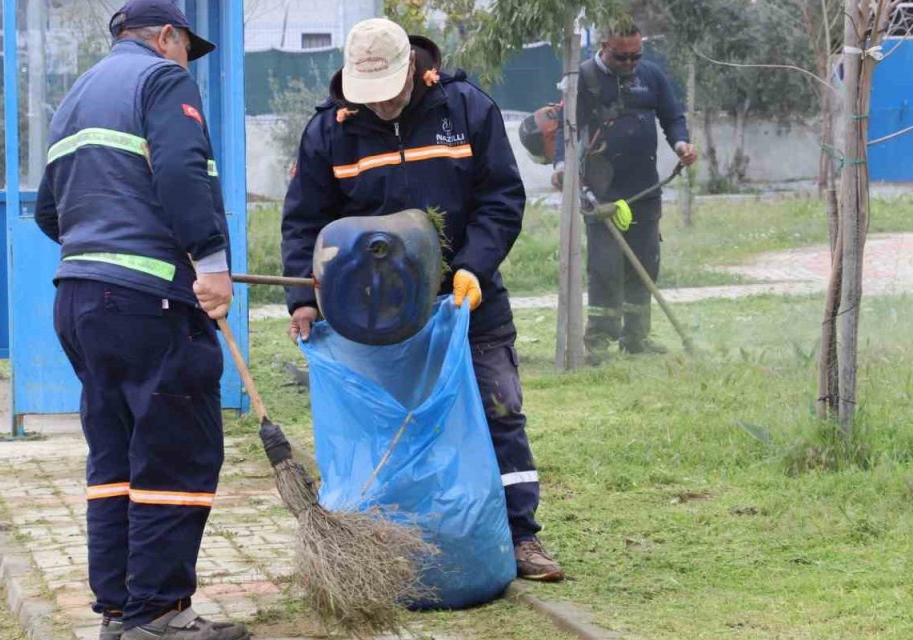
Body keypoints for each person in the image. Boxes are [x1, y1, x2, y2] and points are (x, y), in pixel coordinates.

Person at [281, 18, 565, 582]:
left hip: (467, 298)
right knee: (392, 426)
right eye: (369, 94)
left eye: (389, 91)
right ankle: (399, 540)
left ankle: (520, 536)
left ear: (411, 66)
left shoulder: (465, 109)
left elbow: (501, 198)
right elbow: (304, 222)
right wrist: (301, 298)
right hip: (376, 313)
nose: (380, 104)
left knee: (499, 410)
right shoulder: (330, 131)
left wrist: (474, 266)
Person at [33, 1, 247, 638]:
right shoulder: (161, 79)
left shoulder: (77, 96)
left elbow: (48, 212)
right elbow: (181, 171)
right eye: (186, 49)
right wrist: (211, 264)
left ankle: (120, 610)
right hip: (148, 302)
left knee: (115, 458)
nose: (188, 64)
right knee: (176, 450)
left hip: (80, 300)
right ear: (167, 36)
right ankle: (160, 612)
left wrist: (103, 245)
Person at [552, 21, 698, 362]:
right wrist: (561, 167)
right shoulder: (583, 79)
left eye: (636, 56)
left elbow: (672, 117)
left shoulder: (651, 76)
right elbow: (565, 128)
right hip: (601, 191)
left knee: (645, 265)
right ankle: (599, 340)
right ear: (604, 45)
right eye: (622, 57)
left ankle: (637, 338)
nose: (630, 63)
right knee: (605, 268)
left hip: (644, 188)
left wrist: (681, 144)